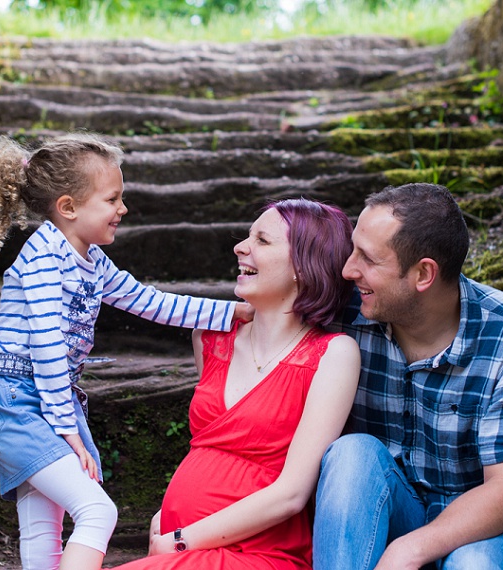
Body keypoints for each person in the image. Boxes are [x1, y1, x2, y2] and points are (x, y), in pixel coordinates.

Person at [0, 133, 254, 570]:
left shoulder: (92, 261)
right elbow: (46, 344)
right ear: (68, 207)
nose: (123, 209)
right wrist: (66, 429)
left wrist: (231, 313)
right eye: (112, 199)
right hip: (17, 397)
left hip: (49, 396)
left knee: (44, 524)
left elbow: (152, 302)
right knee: (97, 511)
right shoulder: (44, 255)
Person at [313, 183, 503, 569]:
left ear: (424, 273)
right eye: (352, 249)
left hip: (487, 518)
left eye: (369, 259)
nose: (347, 269)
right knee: (351, 453)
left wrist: (407, 551)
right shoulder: (349, 313)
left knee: (472, 565)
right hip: (391, 499)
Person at [113, 199, 361, 570]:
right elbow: (208, 447)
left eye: (262, 240)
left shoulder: (333, 354)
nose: (240, 247)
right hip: (181, 543)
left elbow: (292, 493)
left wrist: (181, 542)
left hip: (259, 552)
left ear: (303, 267)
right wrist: (165, 516)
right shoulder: (211, 338)